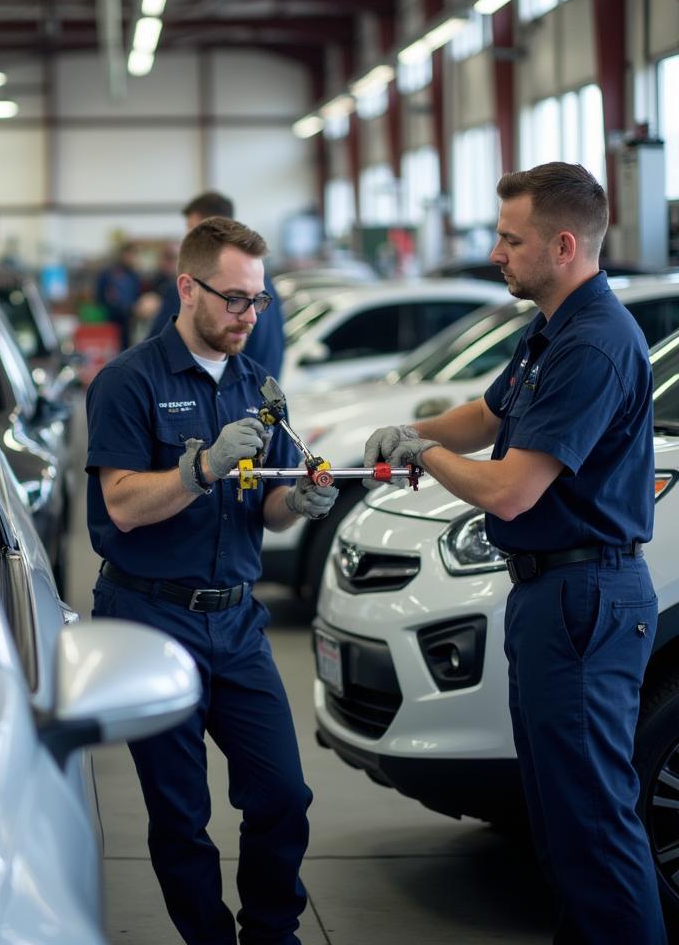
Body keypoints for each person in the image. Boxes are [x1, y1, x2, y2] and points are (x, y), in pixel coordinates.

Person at [363, 162, 665, 945]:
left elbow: (511, 491)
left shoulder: (593, 344)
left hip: (583, 599)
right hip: (550, 598)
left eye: (509, 239)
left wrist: (419, 459)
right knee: (561, 821)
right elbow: (485, 414)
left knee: (593, 825)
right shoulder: (552, 329)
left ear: (563, 245)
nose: (497, 252)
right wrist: (415, 432)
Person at [86, 216, 338, 945]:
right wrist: (202, 467)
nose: (249, 317)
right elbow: (122, 506)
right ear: (187, 288)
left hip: (235, 623)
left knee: (283, 795)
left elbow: (271, 508)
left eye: (258, 302)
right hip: (150, 622)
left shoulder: (261, 385)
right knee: (179, 813)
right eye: (234, 300)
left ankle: (270, 932)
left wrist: (301, 501)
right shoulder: (128, 382)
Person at [147, 191, 285, 378]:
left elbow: (156, 356)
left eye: (190, 230)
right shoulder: (268, 286)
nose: (251, 317)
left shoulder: (195, 284)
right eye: (236, 299)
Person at [95, 241, 143, 351]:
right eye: (130, 253)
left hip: (130, 320)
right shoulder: (109, 274)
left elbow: (137, 295)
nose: (132, 257)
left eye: (134, 254)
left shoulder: (134, 275)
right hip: (111, 320)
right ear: (123, 254)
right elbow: (101, 297)